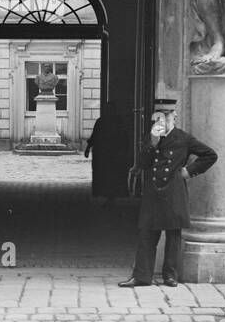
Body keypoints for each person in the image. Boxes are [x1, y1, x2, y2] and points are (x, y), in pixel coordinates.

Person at [118, 98, 217, 288]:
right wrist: (152, 144)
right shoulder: (152, 138)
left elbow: (210, 155)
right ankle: (141, 276)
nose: (162, 120)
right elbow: (142, 164)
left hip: (173, 191)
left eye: (167, 116)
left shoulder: (184, 138)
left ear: (174, 117)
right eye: (159, 117)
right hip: (153, 192)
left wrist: (188, 171)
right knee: (147, 234)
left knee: (173, 235)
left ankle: (170, 276)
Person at [84, 102, 130, 205]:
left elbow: (94, 136)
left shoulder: (101, 121)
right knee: (111, 174)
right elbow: (124, 137)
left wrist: (88, 148)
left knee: (106, 174)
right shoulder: (118, 121)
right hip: (111, 152)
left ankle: (108, 195)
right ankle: (110, 195)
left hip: (105, 152)